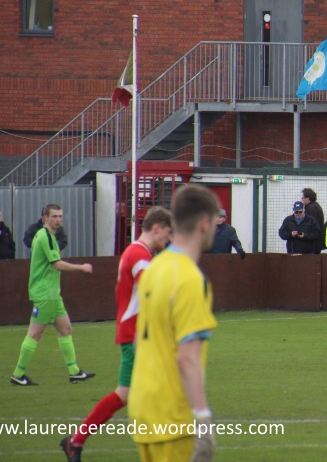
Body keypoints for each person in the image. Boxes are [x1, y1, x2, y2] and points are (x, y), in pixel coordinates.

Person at [60, 207, 173, 462]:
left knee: (126, 394)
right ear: (157, 228)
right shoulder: (140, 255)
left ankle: (76, 441)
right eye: (168, 232)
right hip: (137, 336)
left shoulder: (135, 252)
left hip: (134, 333)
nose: (169, 238)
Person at [129, 185, 220, 462]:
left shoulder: (153, 268)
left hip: (143, 408)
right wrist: (202, 418)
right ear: (204, 223)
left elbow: (138, 340)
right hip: (174, 418)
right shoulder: (190, 279)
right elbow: (187, 357)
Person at [10, 203, 95, 387]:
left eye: (60, 216)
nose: (58, 220)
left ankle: (74, 372)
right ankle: (18, 374)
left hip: (53, 294)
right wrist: (81, 267)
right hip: (45, 294)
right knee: (35, 334)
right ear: (45, 218)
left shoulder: (48, 236)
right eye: (54, 216)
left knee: (66, 330)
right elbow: (57, 264)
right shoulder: (45, 236)